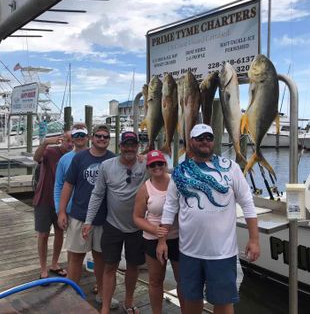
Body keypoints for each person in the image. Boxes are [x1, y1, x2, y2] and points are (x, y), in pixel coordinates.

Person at [157, 124, 260, 314]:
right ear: (190, 142)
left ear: (213, 142)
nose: (205, 141)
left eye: (209, 138)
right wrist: (162, 240)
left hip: (223, 253)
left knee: (223, 303)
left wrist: (254, 240)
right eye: (200, 138)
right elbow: (170, 207)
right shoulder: (179, 172)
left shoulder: (231, 168)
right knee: (191, 299)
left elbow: (247, 203)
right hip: (189, 252)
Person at [83, 131, 146, 314]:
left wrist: (148, 156)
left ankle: (129, 301)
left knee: (133, 266)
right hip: (112, 225)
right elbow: (97, 194)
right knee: (110, 265)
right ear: (120, 147)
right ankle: (104, 306)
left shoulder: (145, 164)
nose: (129, 148)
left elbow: (162, 170)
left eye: (133, 144)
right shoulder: (106, 166)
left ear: (137, 147)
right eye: (126, 144)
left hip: (137, 226)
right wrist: (89, 220)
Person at [57, 124, 118, 308]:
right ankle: (72, 294)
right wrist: (61, 211)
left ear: (109, 140)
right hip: (79, 215)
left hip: (104, 218)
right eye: (98, 136)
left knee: (101, 259)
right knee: (75, 257)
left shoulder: (114, 159)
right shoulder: (79, 158)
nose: (102, 139)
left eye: (105, 137)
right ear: (92, 138)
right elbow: (68, 185)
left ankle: (101, 293)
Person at [133, 150, 184, 314]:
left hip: (177, 238)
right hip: (152, 238)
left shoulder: (177, 183)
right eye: (152, 165)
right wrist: (156, 230)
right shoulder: (145, 189)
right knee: (155, 280)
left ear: (165, 164)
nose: (157, 167)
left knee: (182, 281)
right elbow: (137, 217)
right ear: (148, 167)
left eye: (160, 163)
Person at [33, 131, 73, 280]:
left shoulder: (75, 156)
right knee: (43, 234)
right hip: (43, 199)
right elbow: (36, 158)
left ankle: (54, 264)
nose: (70, 144)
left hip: (63, 201)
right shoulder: (50, 151)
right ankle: (43, 268)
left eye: (72, 141)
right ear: (61, 140)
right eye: (67, 140)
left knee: (59, 232)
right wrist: (45, 142)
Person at [54, 123, 88, 214]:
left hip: (93, 212)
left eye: (82, 135)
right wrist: (59, 210)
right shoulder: (63, 159)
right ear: (72, 138)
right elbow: (58, 185)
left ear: (88, 137)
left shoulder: (96, 157)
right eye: (76, 135)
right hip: (71, 212)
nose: (79, 137)